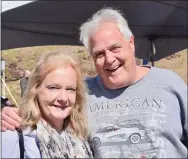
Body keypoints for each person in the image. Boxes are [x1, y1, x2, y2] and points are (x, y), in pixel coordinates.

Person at [1, 8, 187, 158]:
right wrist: (9, 115)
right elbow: (44, 111)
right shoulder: (82, 93)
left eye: (115, 48)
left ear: (131, 43)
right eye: (99, 54)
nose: (109, 59)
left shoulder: (169, 83)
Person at [2, 51, 93, 158]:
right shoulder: (13, 138)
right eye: (53, 88)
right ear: (35, 90)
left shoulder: (80, 134)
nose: (63, 98)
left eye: (70, 89)